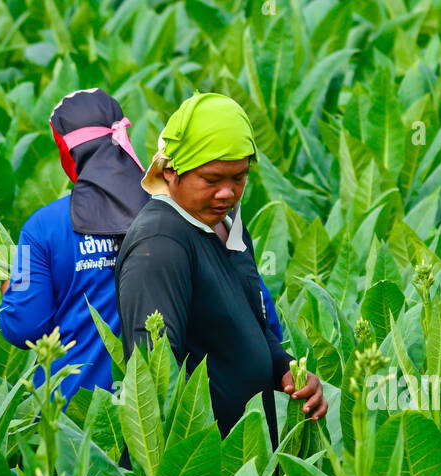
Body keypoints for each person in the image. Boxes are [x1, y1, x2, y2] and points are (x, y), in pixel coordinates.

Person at [0, 88, 287, 401]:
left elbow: (24, 326)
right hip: (168, 418)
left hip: (72, 413)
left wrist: (11, 288)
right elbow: (261, 319)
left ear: (66, 153)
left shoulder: (42, 228)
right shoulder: (185, 212)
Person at [115, 91, 326, 452]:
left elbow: (247, 330)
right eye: (212, 180)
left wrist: (286, 368)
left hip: (247, 460)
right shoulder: (161, 244)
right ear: (170, 171)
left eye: (239, 178)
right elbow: (155, 382)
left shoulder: (226, 227)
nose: (227, 193)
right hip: (202, 470)